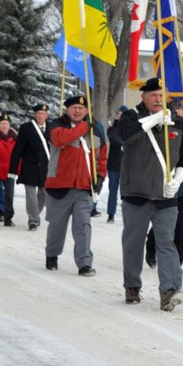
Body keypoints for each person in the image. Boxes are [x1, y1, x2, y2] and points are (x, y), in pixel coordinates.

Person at [116, 78, 183, 311]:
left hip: (166, 197)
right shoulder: (130, 117)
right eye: (154, 95)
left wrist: (178, 179)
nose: (159, 99)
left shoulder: (178, 122)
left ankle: (169, 290)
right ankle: (132, 285)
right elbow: (125, 135)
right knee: (133, 243)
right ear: (144, 97)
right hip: (136, 194)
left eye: (162, 95)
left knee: (166, 243)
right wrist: (155, 120)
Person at [44, 95, 107, 275]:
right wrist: (84, 127)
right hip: (59, 186)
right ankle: (52, 254)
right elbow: (59, 140)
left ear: (87, 111)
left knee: (83, 226)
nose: (77, 111)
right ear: (67, 110)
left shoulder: (96, 131)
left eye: (81, 108)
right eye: (73, 108)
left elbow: (102, 157)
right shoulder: (57, 125)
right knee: (57, 226)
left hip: (84, 187)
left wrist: (100, 177)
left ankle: (84, 263)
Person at [145, 99, 183, 268]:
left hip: (182, 186)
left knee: (180, 223)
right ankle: (151, 245)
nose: (178, 120)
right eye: (175, 115)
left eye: (181, 116)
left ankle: (178, 259)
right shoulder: (160, 132)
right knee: (162, 222)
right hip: (163, 184)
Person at [9, 103, 51, 231]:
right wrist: (13, 170)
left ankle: (34, 214)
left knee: (44, 194)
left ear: (46, 115)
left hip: (46, 167)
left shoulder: (52, 128)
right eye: (38, 113)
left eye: (43, 114)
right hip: (30, 166)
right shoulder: (26, 128)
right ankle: (33, 220)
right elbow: (18, 149)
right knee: (31, 195)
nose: (40, 116)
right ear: (34, 115)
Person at [105, 105, 128, 223]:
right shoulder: (112, 129)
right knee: (112, 191)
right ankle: (111, 214)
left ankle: (127, 215)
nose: (120, 116)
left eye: (123, 114)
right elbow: (115, 141)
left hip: (126, 166)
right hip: (114, 165)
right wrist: (125, 143)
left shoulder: (130, 128)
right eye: (119, 114)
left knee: (126, 193)